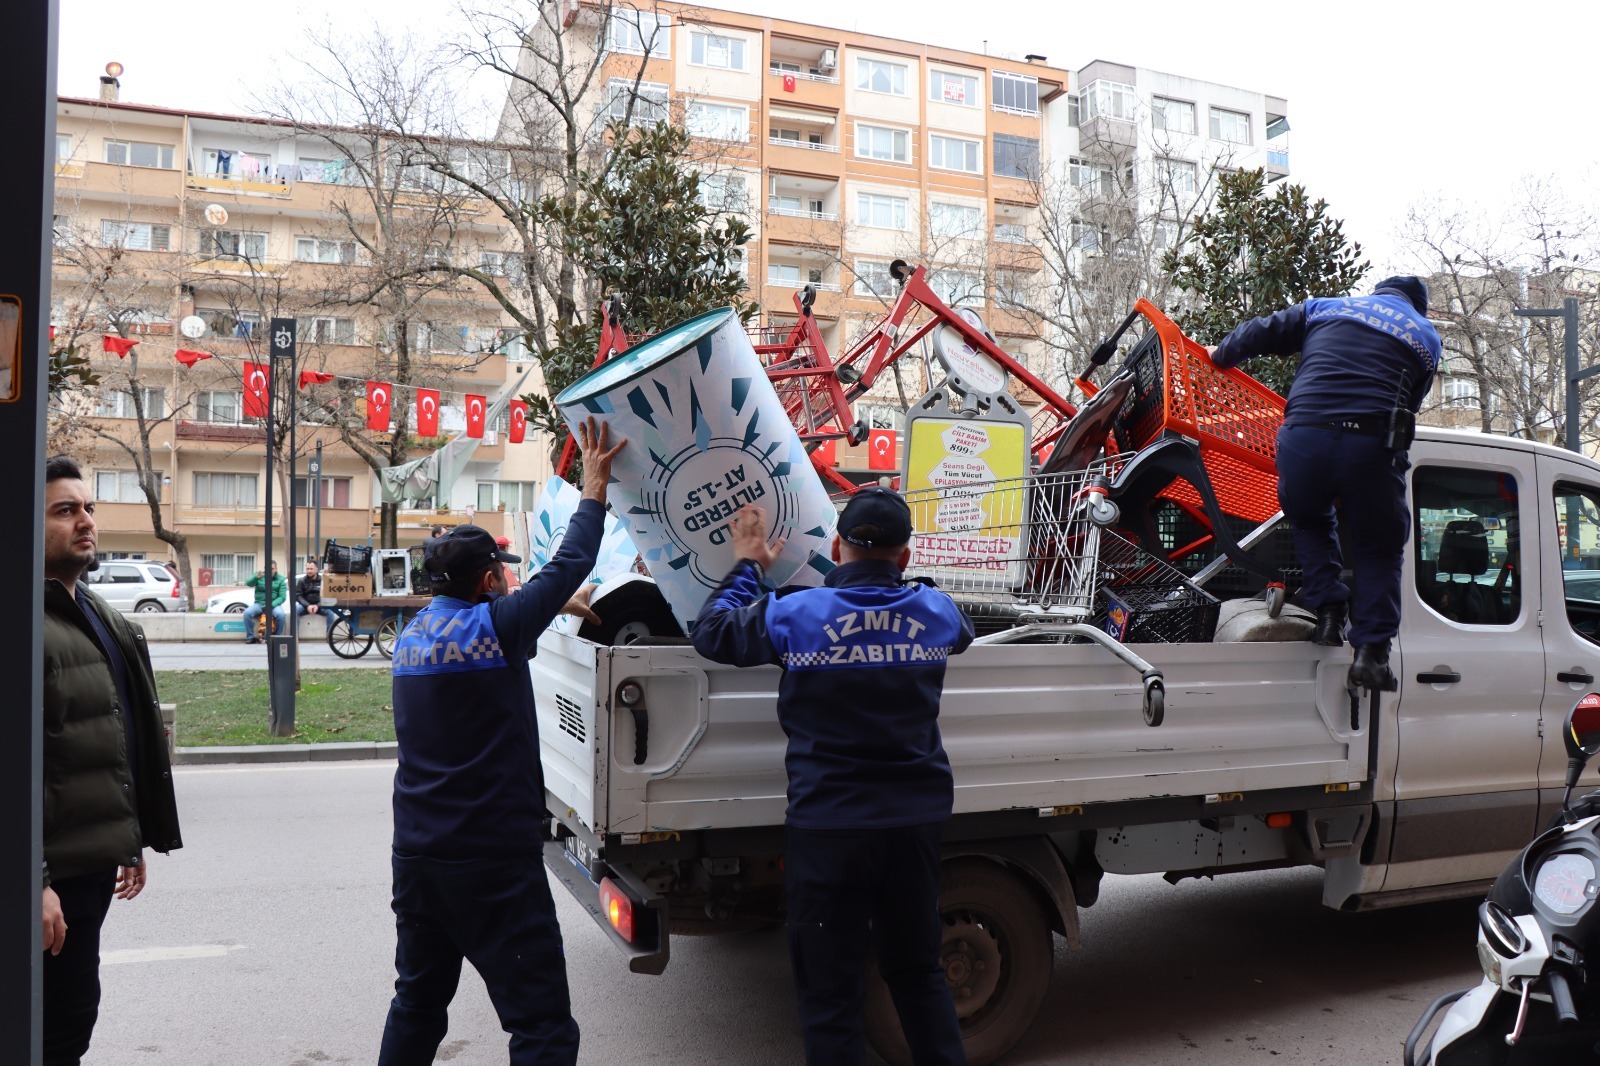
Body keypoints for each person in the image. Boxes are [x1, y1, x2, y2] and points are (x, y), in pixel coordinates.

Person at [691, 489, 975, 1066]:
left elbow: (712, 631)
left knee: (830, 1000)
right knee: (918, 974)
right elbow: (963, 630)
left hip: (829, 830)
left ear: (837, 548)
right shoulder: (936, 611)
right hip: (912, 827)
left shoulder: (797, 614)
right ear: (904, 556)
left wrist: (750, 562)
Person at [377, 417, 623, 1066]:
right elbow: (570, 561)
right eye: (505, 575)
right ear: (489, 581)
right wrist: (593, 488)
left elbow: (498, 630)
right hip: (492, 862)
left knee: (418, 1005)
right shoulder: (500, 627)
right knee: (541, 1025)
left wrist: (555, 604)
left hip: (419, 858)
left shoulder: (411, 641)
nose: (512, 582)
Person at [1209, 275, 1442, 690]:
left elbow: (1263, 330)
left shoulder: (1328, 306)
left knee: (1311, 522)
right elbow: (1409, 406)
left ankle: (1329, 616)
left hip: (1304, 440)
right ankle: (1371, 655)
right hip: (1370, 446)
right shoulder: (1424, 334)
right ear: (1416, 306)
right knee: (1378, 548)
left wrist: (1222, 353)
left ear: (1378, 293)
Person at [42, 455, 183, 1065]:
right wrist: (33, 880)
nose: (85, 522)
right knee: (50, 1028)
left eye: (89, 508)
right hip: (51, 877)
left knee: (73, 1017)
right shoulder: (25, 620)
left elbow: (116, 736)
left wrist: (131, 840)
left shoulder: (98, 616)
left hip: (88, 866)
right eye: (64, 510)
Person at [241, 561, 288, 643]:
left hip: (273, 605)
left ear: (276, 569)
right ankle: (250, 637)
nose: (269, 571)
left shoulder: (280, 579)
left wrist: (271, 605)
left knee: (280, 615)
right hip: (259, 603)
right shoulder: (259, 575)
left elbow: (282, 597)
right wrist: (256, 577)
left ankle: (277, 638)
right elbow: (248, 583)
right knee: (247, 613)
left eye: (272, 569)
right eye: (267, 569)